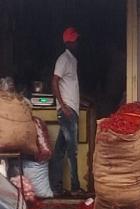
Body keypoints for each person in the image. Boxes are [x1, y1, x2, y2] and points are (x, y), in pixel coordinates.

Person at [50, 27, 84, 197]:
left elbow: (69, 85)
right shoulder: (63, 59)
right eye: (76, 40)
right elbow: (54, 81)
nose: (78, 43)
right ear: (69, 42)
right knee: (72, 150)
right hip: (67, 112)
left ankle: (56, 187)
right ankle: (75, 187)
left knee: (59, 151)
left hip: (71, 110)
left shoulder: (72, 60)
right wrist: (62, 105)